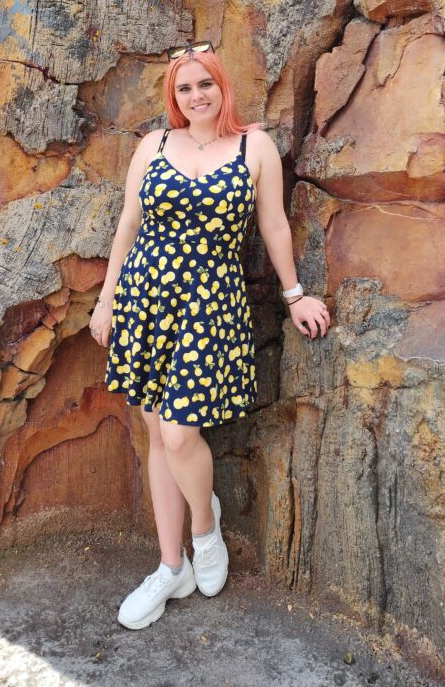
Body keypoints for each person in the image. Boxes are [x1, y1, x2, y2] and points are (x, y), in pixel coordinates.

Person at [89, 40, 331, 630]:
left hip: (210, 305)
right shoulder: (153, 145)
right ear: (173, 97)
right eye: (184, 88)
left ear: (223, 87)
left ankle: (205, 528)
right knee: (154, 430)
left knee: (177, 434)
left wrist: (296, 293)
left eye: (205, 84)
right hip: (145, 299)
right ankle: (171, 566)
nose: (196, 96)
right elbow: (129, 224)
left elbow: (273, 224)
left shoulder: (255, 147)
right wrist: (107, 300)